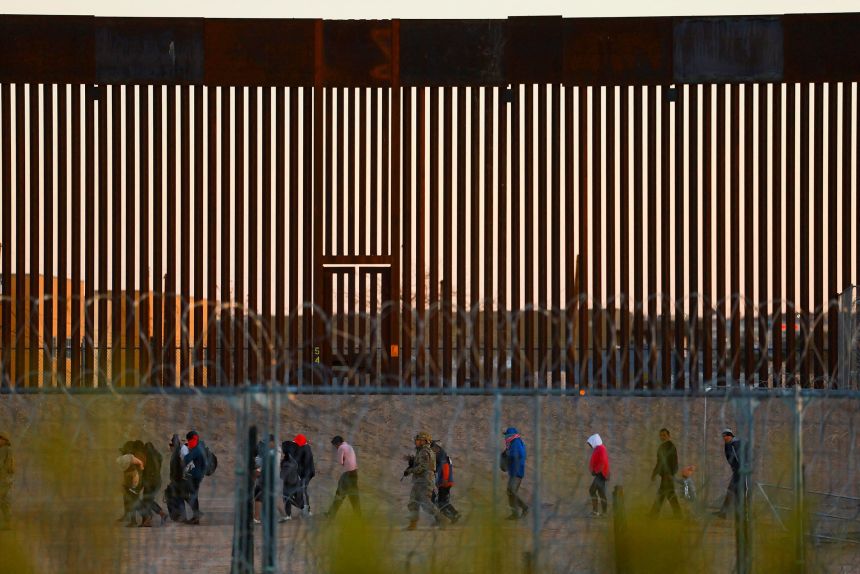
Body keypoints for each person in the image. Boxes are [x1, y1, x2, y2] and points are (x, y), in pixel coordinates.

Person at [403, 432, 448, 530]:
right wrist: (412, 461)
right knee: (413, 502)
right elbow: (420, 463)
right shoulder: (421, 451)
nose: (416, 442)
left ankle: (442, 519)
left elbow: (423, 467)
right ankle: (413, 524)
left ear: (424, 441)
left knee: (426, 503)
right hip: (419, 481)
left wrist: (410, 471)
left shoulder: (424, 452)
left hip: (425, 481)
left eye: (418, 440)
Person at [324, 436, 361, 518]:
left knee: (339, 495)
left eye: (335, 446)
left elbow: (340, 461)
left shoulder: (341, 448)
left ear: (338, 443)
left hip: (347, 474)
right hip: (354, 473)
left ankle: (331, 514)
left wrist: (344, 462)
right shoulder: (349, 446)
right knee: (354, 496)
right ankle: (358, 516)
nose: (336, 448)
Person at [649, 428, 681, 518]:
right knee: (666, 494)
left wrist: (671, 474)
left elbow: (674, 462)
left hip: (668, 475)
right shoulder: (662, 447)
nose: (662, 437)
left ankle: (654, 514)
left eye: (664, 435)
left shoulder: (671, 446)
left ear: (668, 436)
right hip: (664, 475)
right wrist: (654, 473)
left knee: (665, 494)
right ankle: (677, 514)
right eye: (661, 435)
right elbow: (659, 462)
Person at [714, 429, 745, 519]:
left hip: (740, 472)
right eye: (723, 436)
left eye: (726, 436)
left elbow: (740, 457)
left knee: (735, 492)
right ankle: (726, 513)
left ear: (730, 436)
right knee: (733, 492)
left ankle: (735, 514)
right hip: (737, 471)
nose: (724, 438)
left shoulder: (735, 444)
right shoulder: (728, 444)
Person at [430, 440, 460, 523]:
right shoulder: (441, 456)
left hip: (445, 483)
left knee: (441, 502)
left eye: (432, 448)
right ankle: (454, 516)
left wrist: (445, 479)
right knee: (442, 501)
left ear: (437, 447)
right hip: (443, 483)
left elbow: (446, 467)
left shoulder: (442, 456)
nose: (432, 450)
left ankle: (455, 514)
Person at [502, 427, 528, 520]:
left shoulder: (516, 442)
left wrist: (508, 455)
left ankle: (525, 508)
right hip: (514, 472)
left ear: (511, 435)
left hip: (517, 472)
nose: (505, 437)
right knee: (510, 492)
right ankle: (515, 514)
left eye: (506, 435)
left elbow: (520, 454)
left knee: (512, 491)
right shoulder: (513, 443)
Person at [117, 441, 145, 526]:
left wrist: (138, 475)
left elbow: (140, 465)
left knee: (133, 499)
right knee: (129, 498)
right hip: (131, 478)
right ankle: (131, 518)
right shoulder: (128, 458)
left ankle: (137, 519)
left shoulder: (132, 457)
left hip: (133, 478)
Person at [139, 441, 167, 526]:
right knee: (148, 500)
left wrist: (141, 484)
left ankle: (149, 519)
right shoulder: (158, 456)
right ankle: (159, 515)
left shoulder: (148, 458)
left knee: (147, 500)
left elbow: (146, 472)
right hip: (157, 482)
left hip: (150, 482)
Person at [183, 430, 208, 525]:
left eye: (189, 440)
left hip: (194, 476)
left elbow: (187, 459)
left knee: (184, 493)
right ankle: (196, 518)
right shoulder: (200, 447)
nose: (188, 442)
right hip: (197, 475)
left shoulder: (197, 449)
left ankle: (196, 513)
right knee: (194, 495)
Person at [165, 434, 189, 522]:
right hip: (178, 480)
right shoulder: (178, 453)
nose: (170, 448)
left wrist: (175, 480)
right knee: (179, 498)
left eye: (171, 446)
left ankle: (182, 516)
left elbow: (179, 469)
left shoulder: (177, 455)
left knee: (179, 498)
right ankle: (181, 516)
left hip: (178, 481)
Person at [587, 433, 610, 517]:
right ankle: (603, 512)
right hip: (600, 474)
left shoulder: (601, 448)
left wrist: (596, 471)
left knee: (592, 490)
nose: (590, 445)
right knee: (601, 493)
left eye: (590, 443)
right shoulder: (598, 448)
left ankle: (596, 511)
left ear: (594, 441)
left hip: (601, 474)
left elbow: (602, 461)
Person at [280, 439, 303, 522]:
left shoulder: (285, 461)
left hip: (289, 483)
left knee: (287, 498)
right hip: (296, 481)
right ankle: (303, 509)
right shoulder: (294, 459)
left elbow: (283, 474)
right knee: (294, 499)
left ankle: (289, 515)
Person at [294, 434, 315, 516]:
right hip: (307, 473)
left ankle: (307, 511)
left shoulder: (304, 448)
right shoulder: (305, 447)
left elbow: (301, 463)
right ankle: (304, 509)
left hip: (306, 473)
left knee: (302, 489)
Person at [0, 432, 14, 530]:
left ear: (3, 439)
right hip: (6, 479)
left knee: (3, 501)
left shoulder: (3, 449)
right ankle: (7, 522)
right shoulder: (8, 449)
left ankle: (7, 523)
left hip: (2, 479)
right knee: (4, 501)